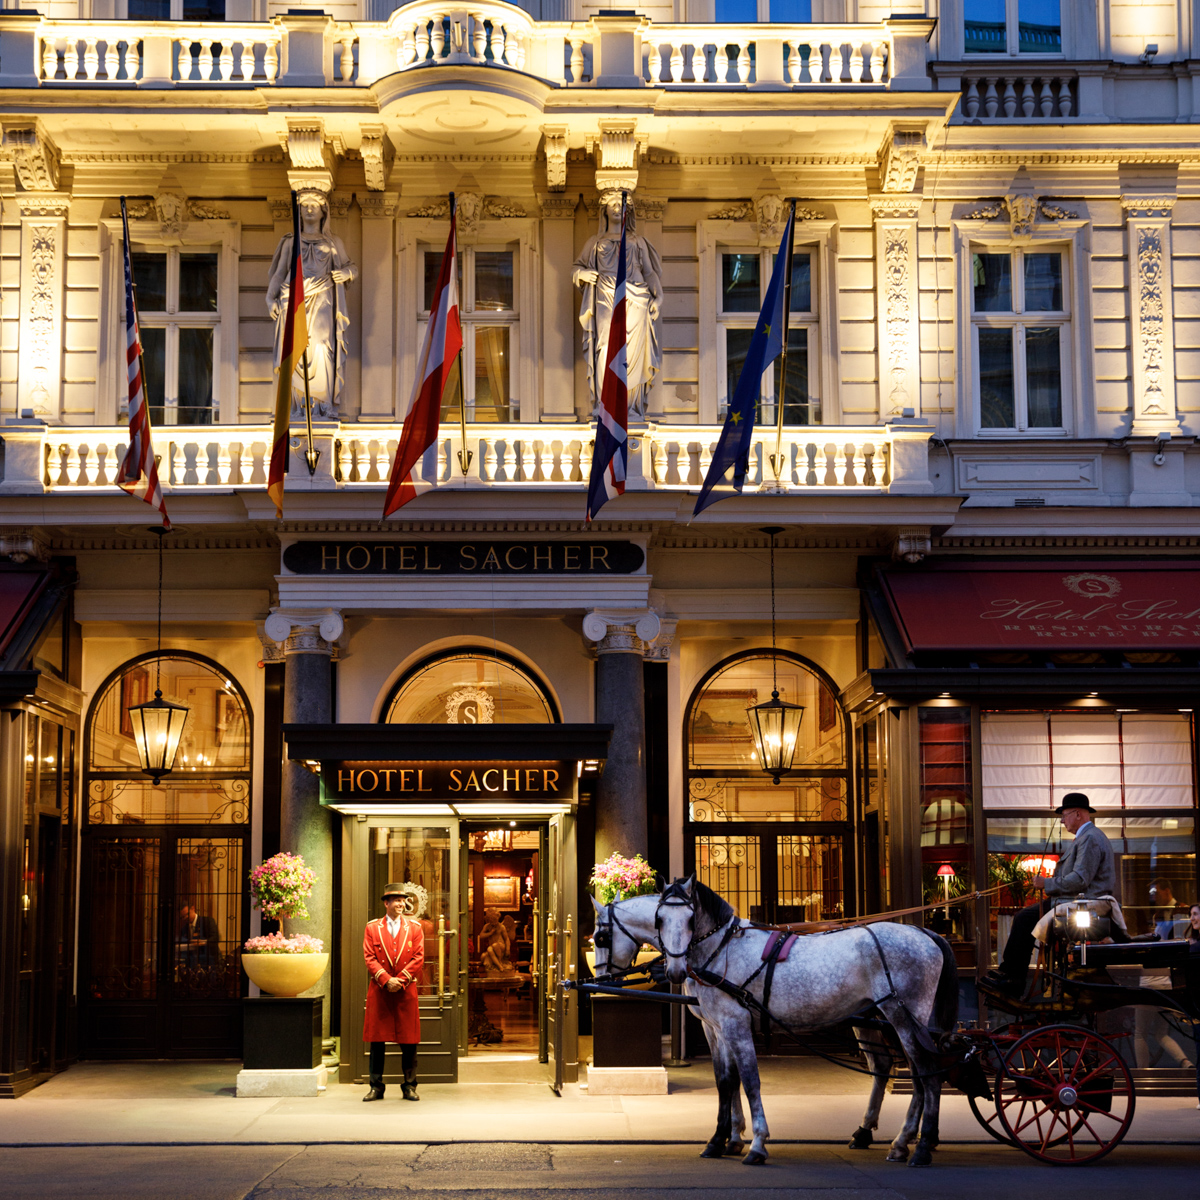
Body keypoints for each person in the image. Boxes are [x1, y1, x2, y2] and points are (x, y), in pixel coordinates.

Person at [982, 792, 1116, 997]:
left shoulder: (1089, 838)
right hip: (1073, 901)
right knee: (1025, 917)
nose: (1062, 821)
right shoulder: (1088, 837)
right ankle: (1011, 974)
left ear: (1078, 814)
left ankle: (1013, 978)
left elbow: (1080, 879)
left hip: (1080, 903)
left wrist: (1046, 883)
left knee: (1023, 918)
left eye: (1064, 815)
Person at [572, 189, 663, 420]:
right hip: (605, 296)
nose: (616, 208)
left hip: (637, 298)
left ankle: (630, 407)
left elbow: (649, 272)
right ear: (604, 209)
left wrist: (659, 297)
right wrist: (582, 275)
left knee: (632, 353)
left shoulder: (638, 242)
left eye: (621, 205)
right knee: (605, 347)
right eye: (612, 204)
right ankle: (608, 404)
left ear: (627, 211)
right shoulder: (595, 242)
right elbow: (577, 267)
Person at [266, 190, 358, 419]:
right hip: (292, 299)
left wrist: (346, 273)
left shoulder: (333, 242)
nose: (309, 209)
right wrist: (269, 298)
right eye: (305, 205)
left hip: (323, 297)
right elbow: (279, 273)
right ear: (299, 211)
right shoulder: (291, 242)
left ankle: (321, 404)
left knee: (322, 346)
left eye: (314, 205)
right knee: (296, 350)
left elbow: (351, 267)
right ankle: (298, 406)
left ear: (323, 212)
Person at [362, 881, 424, 1102]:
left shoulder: (415, 928)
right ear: (386, 903)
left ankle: (409, 1086)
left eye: (403, 900)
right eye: (397, 900)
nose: (401, 904)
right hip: (380, 991)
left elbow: (418, 957)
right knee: (377, 1042)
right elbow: (369, 957)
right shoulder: (372, 928)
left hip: (405, 991)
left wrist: (401, 980)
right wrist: (387, 980)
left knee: (409, 1041)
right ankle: (376, 1087)